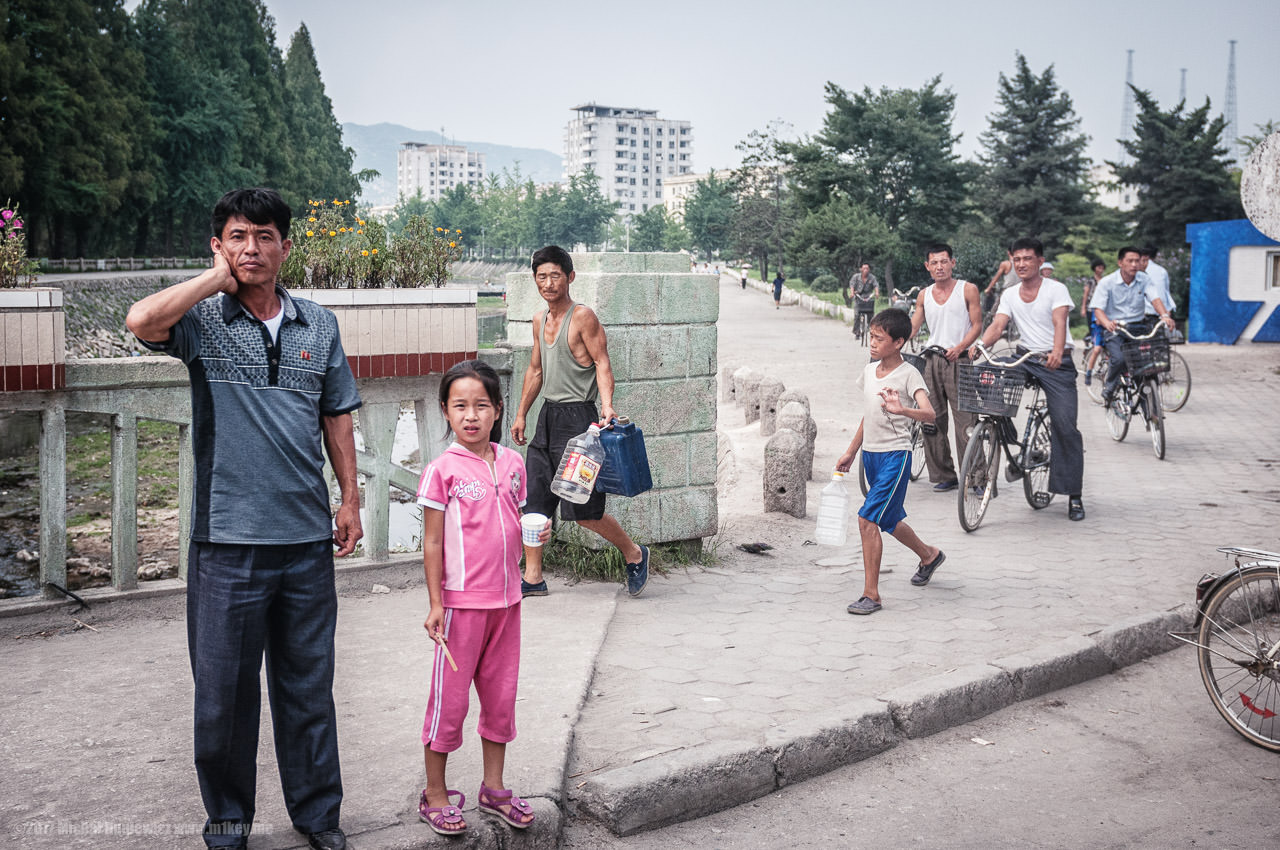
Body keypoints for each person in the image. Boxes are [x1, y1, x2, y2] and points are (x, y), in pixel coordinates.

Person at [125, 188, 361, 850]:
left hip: (307, 543)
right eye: (237, 237)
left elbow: (336, 412)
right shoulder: (202, 325)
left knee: (308, 693)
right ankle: (228, 823)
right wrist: (214, 281)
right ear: (218, 246)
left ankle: (318, 817)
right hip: (227, 544)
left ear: (286, 246)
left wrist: (349, 497)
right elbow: (140, 318)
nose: (252, 248)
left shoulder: (319, 325)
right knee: (224, 704)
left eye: (264, 236)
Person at [415, 360, 545, 837]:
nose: (471, 415)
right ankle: (434, 794)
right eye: (460, 406)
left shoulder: (512, 464)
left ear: (498, 410)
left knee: (500, 700)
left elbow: (516, 521)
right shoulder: (440, 472)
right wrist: (435, 603)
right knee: (449, 705)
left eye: (481, 405)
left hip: (507, 606)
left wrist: (537, 544)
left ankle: (494, 788)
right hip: (460, 609)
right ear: (446, 413)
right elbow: (432, 542)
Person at [511, 245, 650, 598]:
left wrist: (607, 405)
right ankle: (533, 578)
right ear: (535, 280)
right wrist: (521, 414)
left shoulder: (583, 317)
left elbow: (602, 362)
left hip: (579, 422)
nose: (548, 282)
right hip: (547, 418)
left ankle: (634, 554)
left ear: (570, 277)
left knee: (584, 511)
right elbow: (536, 370)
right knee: (535, 503)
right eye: (541, 276)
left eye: (555, 275)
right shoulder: (539, 320)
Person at [835, 308, 945, 615]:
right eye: (871, 336)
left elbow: (930, 413)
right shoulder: (870, 371)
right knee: (889, 519)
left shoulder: (910, 374)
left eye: (879, 338)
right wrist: (851, 451)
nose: (872, 343)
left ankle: (872, 594)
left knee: (867, 519)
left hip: (896, 457)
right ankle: (929, 555)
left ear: (898, 342)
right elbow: (867, 415)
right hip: (871, 455)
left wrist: (903, 411)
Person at [977, 237, 1087, 522]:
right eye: (1018, 259)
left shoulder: (1056, 289)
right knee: (986, 373)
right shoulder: (1011, 293)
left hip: (1055, 362)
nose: (1022, 264)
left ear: (1040, 261)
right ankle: (1006, 433)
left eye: (1028, 258)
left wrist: (1057, 352)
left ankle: (1073, 494)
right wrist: (979, 346)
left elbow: (1059, 323)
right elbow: (998, 325)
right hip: (1026, 358)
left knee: (1065, 426)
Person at [908, 243, 983, 492]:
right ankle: (944, 474)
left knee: (966, 422)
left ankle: (976, 477)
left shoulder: (967, 290)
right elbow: (913, 327)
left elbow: (977, 325)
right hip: (931, 359)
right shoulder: (924, 294)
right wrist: (892, 338)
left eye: (944, 261)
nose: (939, 267)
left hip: (959, 360)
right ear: (927, 267)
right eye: (934, 263)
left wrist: (961, 346)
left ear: (953, 263)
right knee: (932, 419)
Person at [1089, 246, 1176, 404]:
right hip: (1115, 328)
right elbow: (1098, 310)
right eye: (1130, 261)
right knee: (1120, 359)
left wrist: (1164, 315)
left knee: (1147, 366)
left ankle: (1150, 408)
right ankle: (1110, 386)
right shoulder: (1107, 283)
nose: (1135, 264)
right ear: (1120, 263)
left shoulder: (1144, 279)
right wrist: (1107, 323)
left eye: (1137, 261)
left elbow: (1155, 298)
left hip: (1138, 327)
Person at [1081, 258, 1107, 385]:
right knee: (1096, 348)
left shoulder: (1106, 281)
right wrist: (1083, 308)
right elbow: (1086, 294)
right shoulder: (1091, 281)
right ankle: (1089, 372)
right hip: (1094, 313)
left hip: (1105, 316)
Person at [1139, 245, 1176, 321]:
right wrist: (1166, 312)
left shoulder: (1136, 271)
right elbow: (1165, 293)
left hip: (1142, 315)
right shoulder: (1162, 271)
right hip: (1160, 314)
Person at [983, 251, 1019, 319]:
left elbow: (996, 278)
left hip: (1008, 291)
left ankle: (992, 319)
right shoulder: (1022, 264)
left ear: (1008, 253)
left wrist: (988, 288)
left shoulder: (1006, 264)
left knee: (996, 308)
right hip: (1020, 291)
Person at [849, 263, 879, 334]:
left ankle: (871, 328)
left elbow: (876, 285)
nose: (866, 270)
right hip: (858, 296)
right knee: (857, 314)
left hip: (868, 296)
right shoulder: (856, 277)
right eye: (864, 268)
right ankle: (857, 332)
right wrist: (852, 293)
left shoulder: (872, 277)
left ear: (869, 270)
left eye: (867, 268)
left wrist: (877, 292)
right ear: (861, 269)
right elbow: (852, 285)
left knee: (871, 313)